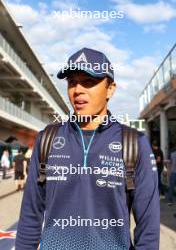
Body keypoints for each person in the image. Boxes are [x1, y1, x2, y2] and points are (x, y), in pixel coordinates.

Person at [16, 47, 160, 250]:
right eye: (72, 82)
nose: (78, 90)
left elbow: (149, 228)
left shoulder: (134, 142)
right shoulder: (47, 138)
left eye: (89, 82)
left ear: (110, 88)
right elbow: (30, 216)